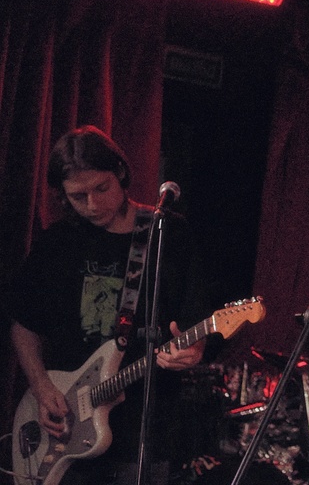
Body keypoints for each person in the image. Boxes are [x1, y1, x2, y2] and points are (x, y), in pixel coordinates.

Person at [4, 125, 210, 485]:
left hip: (143, 436)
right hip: (66, 428)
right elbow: (23, 325)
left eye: (101, 188)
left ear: (120, 173)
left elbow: (196, 322)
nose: (93, 204)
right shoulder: (58, 243)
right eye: (78, 196)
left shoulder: (168, 235)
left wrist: (194, 350)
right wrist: (41, 387)